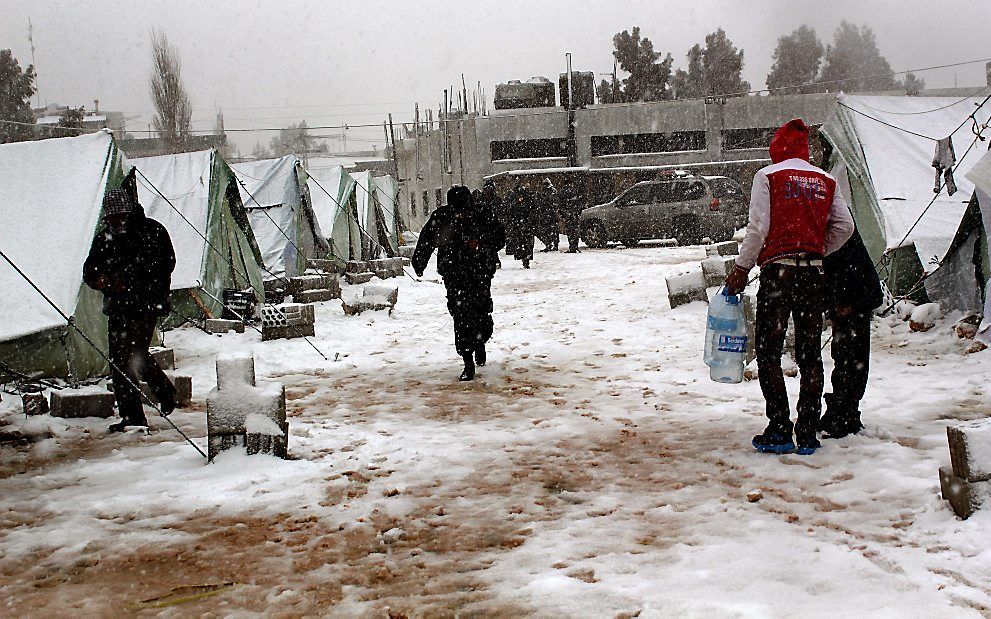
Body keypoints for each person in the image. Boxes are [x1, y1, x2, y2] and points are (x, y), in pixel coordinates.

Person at [725, 118, 854, 456]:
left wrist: (741, 268)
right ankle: (808, 433)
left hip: (778, 273)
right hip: (813, 274)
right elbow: (845, 226)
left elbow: (757, 228)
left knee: (769, 350)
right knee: (810, 353)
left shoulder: (768, 176)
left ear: (777, 150)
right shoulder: (826, 180)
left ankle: (780, 428)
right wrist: (817, 248)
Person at [84, 188, 178, 432]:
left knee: (134, 354)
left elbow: (166, 263)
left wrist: (130, 278)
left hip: (146, 305)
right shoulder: (105, 238)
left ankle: (154, 401)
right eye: (111, 219)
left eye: (119, 217)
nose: (116, 223)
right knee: (121, 360)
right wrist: (102, 279)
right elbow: (90, 270)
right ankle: (141, 410)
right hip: (118, 308)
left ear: (129, 212)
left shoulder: (152, 232)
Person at [413, 185, 506, 381]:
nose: (460, 213)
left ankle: (480, 341)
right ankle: (467, 360)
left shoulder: (482, 214)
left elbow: (499, 238)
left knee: (481, 310)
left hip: (479, 272)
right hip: (455, 274)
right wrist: (419, 262)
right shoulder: (443, 216)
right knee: (460, 316)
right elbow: (426, 239)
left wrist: (480, 242)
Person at [820, 228, 882, 439]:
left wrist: (850, 306)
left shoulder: (845, 247)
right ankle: (840, 412)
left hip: (854, 307)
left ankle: (846, 415)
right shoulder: (841, 245)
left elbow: (873, 293)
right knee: (844, 360)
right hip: (847, 305)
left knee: (851, 361)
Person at [504, 183, 536, 268]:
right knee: (524, 243)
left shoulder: (525, 201)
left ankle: (525, 258)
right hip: (522, 225)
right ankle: (525, 258)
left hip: (523, 225)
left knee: (524, 243)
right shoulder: (519, 201)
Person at [558, 179, 584, 253]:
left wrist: (564, 215)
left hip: (568, 215)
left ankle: (572, 247)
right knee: (575, 231)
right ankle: (575, 247)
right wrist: (578, 212)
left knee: (570, 232)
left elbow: (560, 204)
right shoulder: (574, 191)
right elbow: (579, 203)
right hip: (574, 214)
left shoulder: (563, 192)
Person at [535, 178, 560, 252]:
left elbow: (551, 201)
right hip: (547, 214)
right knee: (548, 231)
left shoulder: (552, 191)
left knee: (552, 231)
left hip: (550, 214)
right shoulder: (547, 191)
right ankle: (549, 244)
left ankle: (553, 245)